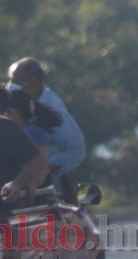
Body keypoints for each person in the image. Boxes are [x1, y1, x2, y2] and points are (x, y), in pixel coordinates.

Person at [6, 57, 86, 187]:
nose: (10, 86)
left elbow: (77, 150)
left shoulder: (54, 110)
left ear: (33, 84)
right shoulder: (15, 101)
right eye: (10, 80)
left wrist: (42, 168)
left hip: (43, 187)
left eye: (15, 81)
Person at [7, 89, 61, 157]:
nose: (7, 116)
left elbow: (40, 162)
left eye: (9, 112)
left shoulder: (32, 132)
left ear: (21, 110)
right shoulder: (25, 131)